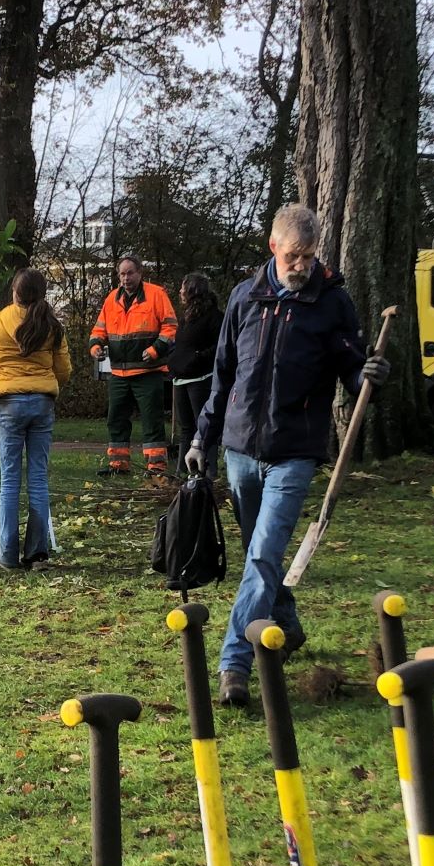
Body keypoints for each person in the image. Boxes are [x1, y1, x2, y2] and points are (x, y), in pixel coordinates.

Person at [187, 205, 390, 706]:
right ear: (273, 247)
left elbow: (352, 370)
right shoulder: (244, 298)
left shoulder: (332, 302)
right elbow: (223, 375)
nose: (300, 265)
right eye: (293, 255)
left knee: (262, 554)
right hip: (239, 449)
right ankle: (288, 624)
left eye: (309, 255)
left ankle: (234, 663)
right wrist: (201, 439)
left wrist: (369, 376)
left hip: (295, 450)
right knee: (262, 555)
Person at [0, 268, 70, 569]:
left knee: (9, 480)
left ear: (15, 292)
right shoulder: (52, 325)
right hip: (42, 403)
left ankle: (7, 554)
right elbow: (64, 370)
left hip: (9, 405)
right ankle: (37, 553)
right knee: (38, 478)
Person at [89, 253, 177, 479]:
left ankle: (156, 467)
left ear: (140, 273)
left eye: (130, 273)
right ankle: (118, 464)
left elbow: (170, 328)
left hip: (148, 372)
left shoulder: (156, 295)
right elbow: (99, 330)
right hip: (118, 372)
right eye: (122, 274)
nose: (125, 278)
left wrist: (156, 349)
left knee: (151, 419)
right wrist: (96, 346)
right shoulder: (112, 299)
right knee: (116, 418)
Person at [167, 271, 221, 458]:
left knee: (203, 425)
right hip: (180, 377)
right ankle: (183, 472)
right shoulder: (186, 317)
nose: (180, 291)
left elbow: (219, 347)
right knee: (185, 428)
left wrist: (198, 358)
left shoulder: (214, 316)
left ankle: (208, 470)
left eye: (183, 287)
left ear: (192, 290)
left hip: (200, 379)